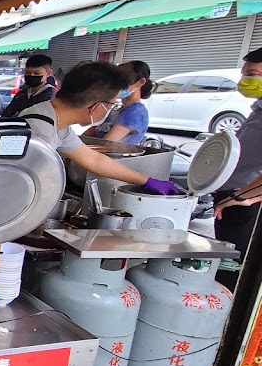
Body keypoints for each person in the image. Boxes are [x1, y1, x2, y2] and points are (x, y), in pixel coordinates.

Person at [22, 62, 182, 195]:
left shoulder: (57, 122)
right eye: (112, 105)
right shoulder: (41, 131)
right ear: (97, 107)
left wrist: (146, 181)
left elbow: (94, 159)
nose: (111, 110)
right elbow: (25, 185)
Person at [213, 49, 262, 290]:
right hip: (231, 196)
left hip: (245, 202)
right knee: (224, 258)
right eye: (244, 74)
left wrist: (243, 196)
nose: (246, 81)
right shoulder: (257, 110)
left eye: (252, 74)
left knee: (234, 267)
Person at [87, 61, 153, 145]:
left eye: (124, 80)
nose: (117, 85)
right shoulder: (115, 110)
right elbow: (88, 134)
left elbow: (104, 144)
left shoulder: (135, 112)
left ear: (140, 82)